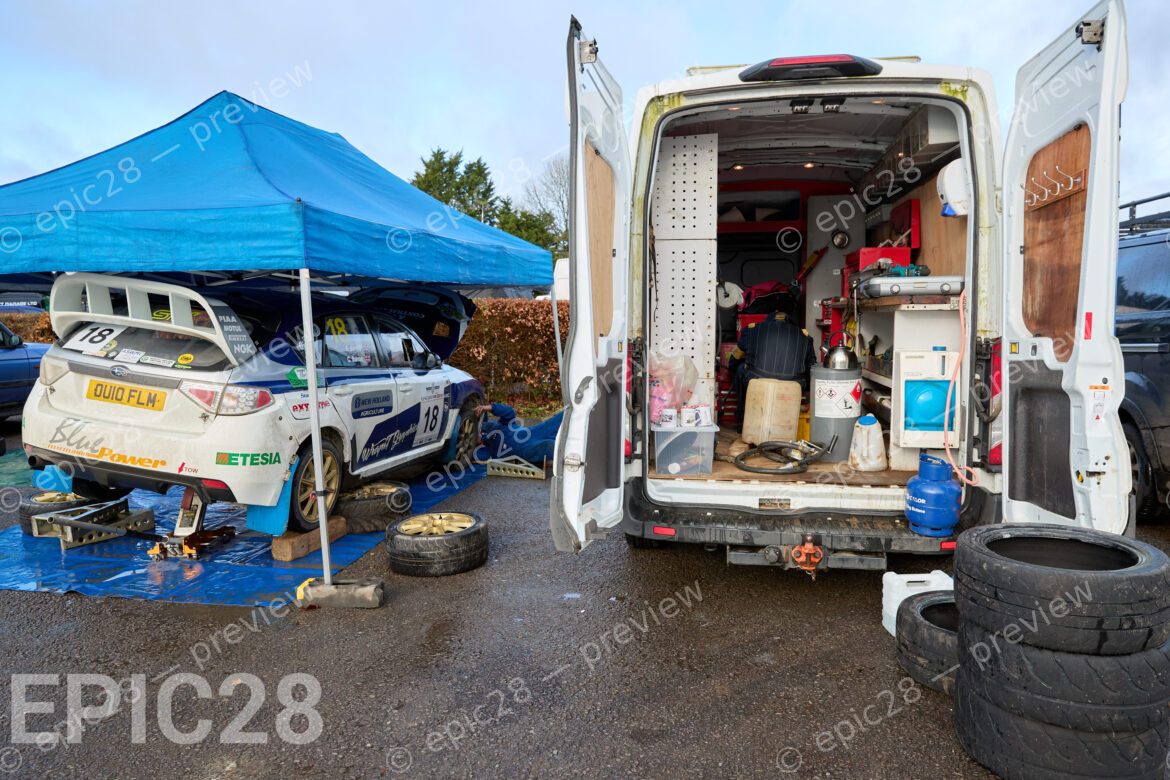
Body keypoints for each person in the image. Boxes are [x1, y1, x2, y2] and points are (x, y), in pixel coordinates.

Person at [726, 312, 816, 431]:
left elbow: (735, 357)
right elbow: (811, 367)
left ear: (767, 321)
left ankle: (743, 418)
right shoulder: (805, 337)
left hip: (757, 380)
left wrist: (732, 369)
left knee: (740, 369)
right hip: (792, 385)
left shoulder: (752, 330)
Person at [476, 403, 563, 466]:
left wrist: (490, 407)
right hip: (524, 448)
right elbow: (480, 457)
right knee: (552, 446)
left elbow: (510, 412)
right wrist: (480, 443)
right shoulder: (486, 450)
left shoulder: (502, 424)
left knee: (563, 417)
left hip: (534, 431)